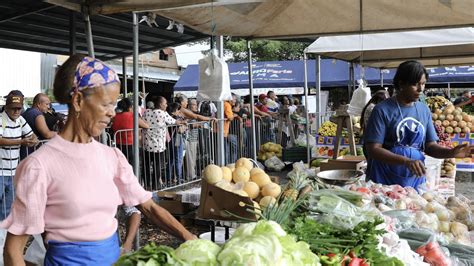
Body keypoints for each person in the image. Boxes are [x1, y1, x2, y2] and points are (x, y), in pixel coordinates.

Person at [1, 55, 195, 265]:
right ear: (78, 101)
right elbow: (13, 252)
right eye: (106, 104)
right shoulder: (39, 166)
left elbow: (149, 207)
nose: (112, 112)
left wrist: (190, 239)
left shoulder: (112, 157)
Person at [364, 60, 473, 191]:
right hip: (384, 180)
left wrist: (451, 152)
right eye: (415, 84)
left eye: (423, 83)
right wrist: (405, 161)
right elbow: (373, 149)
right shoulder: (382, 110)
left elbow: (430, 146)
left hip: (414, 179)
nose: (421, 89)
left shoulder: (423, 110)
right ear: (401, 83)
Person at [0, 90, 38, 221]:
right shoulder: (1, 119)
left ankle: (2, 238)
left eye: (19, 109)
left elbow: (32, 136)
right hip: (0, 172)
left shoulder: (21, 120)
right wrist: (21, 141)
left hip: (12, 172)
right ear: (6, 107)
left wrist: (32, 139)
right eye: (13, 109)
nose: (16, 112)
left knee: (7, 209)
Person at [143, 96, 184, 187]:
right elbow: (174, 121)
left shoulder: (147, 112)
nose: (166, 105)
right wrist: (183, 122)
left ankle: (146, 184)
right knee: (157, 165)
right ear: (161, 104)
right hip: (158, 145)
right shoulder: (162, 113)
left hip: (147, 143)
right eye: (165, 103)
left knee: (146, 165)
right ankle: (156, 184)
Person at [112, 98, 149, 166]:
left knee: (122, 165)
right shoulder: (133, 116)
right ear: (130, 107)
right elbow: (146, 126)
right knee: (133, 165)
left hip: (118, 144)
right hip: (130, 144)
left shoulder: (115, 116)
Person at [20, 93, 57, 159]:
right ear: (39, 104)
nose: (48, 107)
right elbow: (47, 134)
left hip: (24, 152)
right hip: (33, 153)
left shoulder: (26, 112)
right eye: (46, 104)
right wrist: (62, 134)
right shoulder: (38, 114)